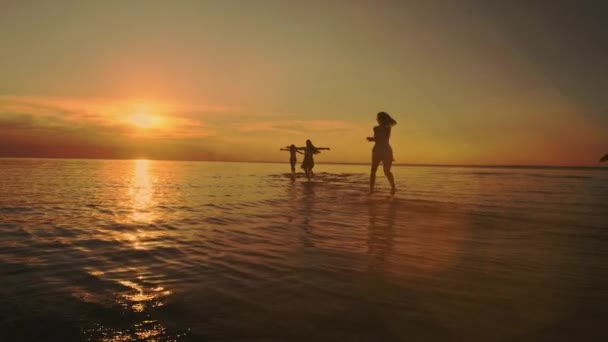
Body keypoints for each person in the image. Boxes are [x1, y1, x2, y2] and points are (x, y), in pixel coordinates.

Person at [366, 111, 397, 195]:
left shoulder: (379, 128)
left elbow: (378, 139)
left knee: (379, 171)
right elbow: (379, 139)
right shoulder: (387, 128)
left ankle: (391, 187)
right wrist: (372, 139)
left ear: (381, 119)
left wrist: (371, 139)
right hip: (384, 150)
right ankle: (391, 187)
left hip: (381, 150)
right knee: (384, 171)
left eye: (377, 117)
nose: (376, 119)